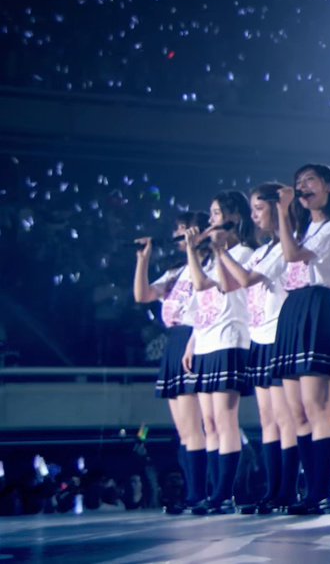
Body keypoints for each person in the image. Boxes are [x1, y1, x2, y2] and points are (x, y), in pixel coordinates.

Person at [273, 164, 330, 515]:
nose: (303, 187)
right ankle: (309, 492)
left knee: (316, 406)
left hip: (317, 307)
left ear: (328, 186)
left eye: (310, 181)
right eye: (299, 181)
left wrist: (282, 210)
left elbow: (292, 256)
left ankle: (322, 492)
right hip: (293, 308)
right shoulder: (304, 230)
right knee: (296, 412)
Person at [216, 182, 298, 514]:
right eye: (252, 210)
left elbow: (247, 280)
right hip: (259, 337)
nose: (254, 216)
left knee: (285, 418)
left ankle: (287, 490)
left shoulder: (284, 246)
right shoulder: (263, 250)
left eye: (259, 208)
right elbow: (229, 284)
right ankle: (272, 489)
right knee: (267, 419)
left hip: (279, 334)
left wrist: (222, 252)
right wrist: (219, 253)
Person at [181, 191, 257, 514]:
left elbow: (227, 287)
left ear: (233, 217)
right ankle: (213, 492)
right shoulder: (214, 257)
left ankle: (225, 494)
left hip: (230, 339)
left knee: (225, 420)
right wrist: (192, 250)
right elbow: (199, 289)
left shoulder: (244, 252)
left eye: (215, 214)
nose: (210, 221)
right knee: (209, 423)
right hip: (207, 340)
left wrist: (219, 250)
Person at [132, 211, 208, 514]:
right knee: (185, 430)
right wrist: (143, 259)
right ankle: (192, 493)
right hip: (174, 341)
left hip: (195, 337)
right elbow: (143, 295)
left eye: (185, 229)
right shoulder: (176, 272)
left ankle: (201, 494)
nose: (179, 235)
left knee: (197, 426)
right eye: (177, 230)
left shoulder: (208, 265)